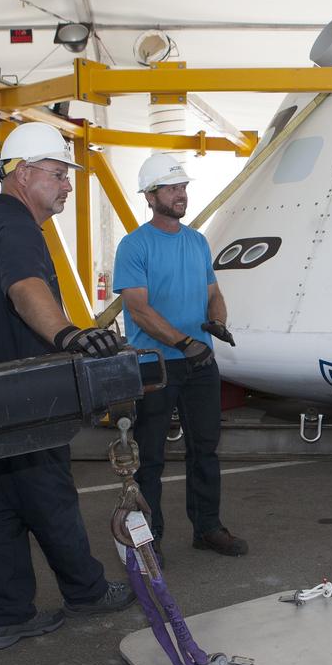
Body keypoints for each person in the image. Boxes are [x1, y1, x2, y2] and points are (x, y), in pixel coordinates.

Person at [0, 122, 136, 649]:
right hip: (23, 396)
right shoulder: (20, 230)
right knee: (49, 495)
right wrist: (68, 333)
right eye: (58, 174)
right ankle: (87, 593)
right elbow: (25, 286)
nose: (67, 186)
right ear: (24, 174)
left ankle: (7, 616)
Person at [113, 153, 247, 556]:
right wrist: (183, 343)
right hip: (155, 365)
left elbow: (213, 293)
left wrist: (216, 322)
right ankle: (147, 540)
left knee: (205, 448)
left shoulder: (197, 241)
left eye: (183, 187)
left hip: (200, 362)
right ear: (150, 195)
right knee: (150, 455)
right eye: (172, 188)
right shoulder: (134, 246)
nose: (180, 195)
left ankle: (207, 528)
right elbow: (139, 309)